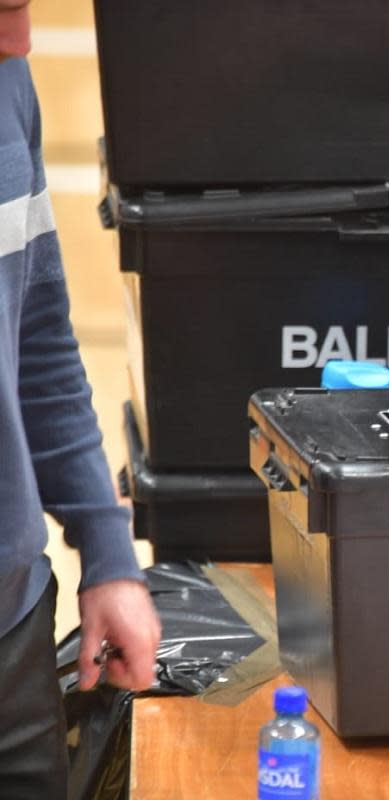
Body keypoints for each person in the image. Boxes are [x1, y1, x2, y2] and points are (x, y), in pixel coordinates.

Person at [0, 2, 160, 797]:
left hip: (14, 635)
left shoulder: (7, 79)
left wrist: (107, 553)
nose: (21, 29)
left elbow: (35, 340)